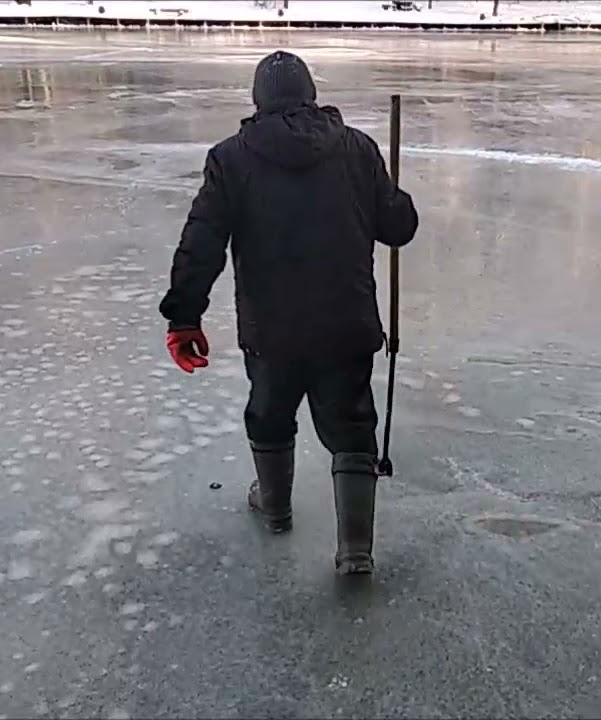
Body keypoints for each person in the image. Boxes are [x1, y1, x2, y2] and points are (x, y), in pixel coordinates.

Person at [158, 51, 419, 574]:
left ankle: (275, 507)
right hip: (346, 325)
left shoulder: (230, 158)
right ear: (311, 93)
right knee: (351, 428)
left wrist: (184, 317)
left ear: (258, 99)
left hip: (271, 330)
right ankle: (355, 551)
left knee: (270, 414)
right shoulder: (358, 149)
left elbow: (202, 243)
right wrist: (397, 199)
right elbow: (398, 228)